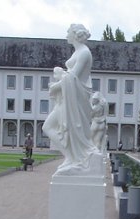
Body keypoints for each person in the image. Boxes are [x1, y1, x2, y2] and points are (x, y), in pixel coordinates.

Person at [41, 24, 100, 176]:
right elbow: (71, 77)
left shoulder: (84, 52)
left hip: (76, 99)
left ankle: (75, 158)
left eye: (68, 32)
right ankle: (72, 157)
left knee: (49, 127)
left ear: (75, 34)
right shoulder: (79, 52)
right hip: (68, 98)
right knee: (48, 127)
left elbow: (73, 76)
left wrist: (56, 87)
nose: (66, 34)